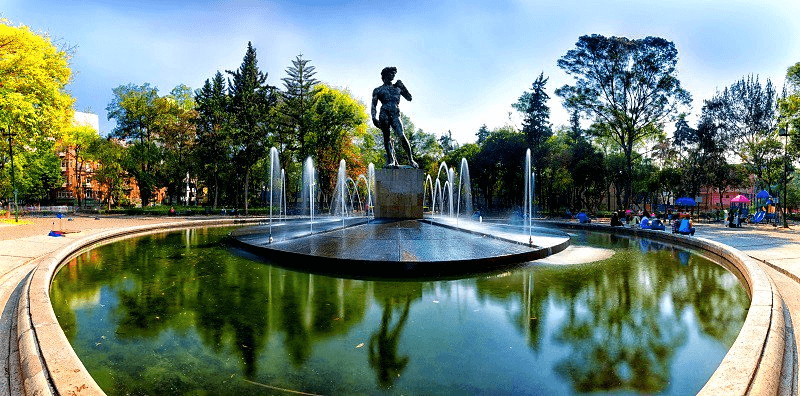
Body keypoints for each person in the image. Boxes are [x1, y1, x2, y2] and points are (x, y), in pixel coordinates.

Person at [371, 67, 417, 168]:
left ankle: (411, 160)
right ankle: (391, 161)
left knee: (401, 135)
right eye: (391, 73)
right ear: (385, 75)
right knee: (386, 138)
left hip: (395, 113)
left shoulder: (397, 87)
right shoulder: (378, 90)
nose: (393, 75)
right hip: (384, 114)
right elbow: (373, 105)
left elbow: (409, 98)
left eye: (394, 74)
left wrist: (402, 87)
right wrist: (373, 117)